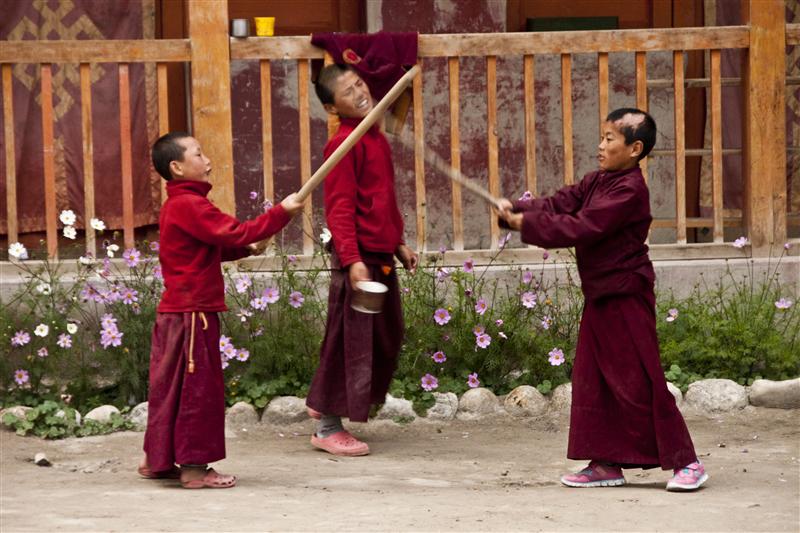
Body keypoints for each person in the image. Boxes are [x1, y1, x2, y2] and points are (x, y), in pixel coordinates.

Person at [496, 108, 708, 492]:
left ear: (635, 149)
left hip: (626, 293)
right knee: (595, 379)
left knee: (640, 380)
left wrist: (525, 226)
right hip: (600, 295)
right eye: (603, 136)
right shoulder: (597, 181)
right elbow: (561, 204)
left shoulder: (629, 190)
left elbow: (584, 226)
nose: (601, 145)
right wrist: (519, 209)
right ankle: (606, 462)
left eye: (610, 139)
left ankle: (686, 461)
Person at [138, 132, 303, 488]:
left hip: (178, 313)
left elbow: (208, 247)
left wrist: (245, 249)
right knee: (198, 391)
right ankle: (195, 468)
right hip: (193, 314)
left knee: (171, 389)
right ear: (177, 167)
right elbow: (235, 232)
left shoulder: (178, 206)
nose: (207, 160)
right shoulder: (190, 205)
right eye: (198, 154)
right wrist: (282, 213)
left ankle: (160, 461)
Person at [305, 64, 418, 456]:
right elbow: (339, 209)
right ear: (331, 107)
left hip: (379, 253)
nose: (359, 93)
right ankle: (327, 426)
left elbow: (381, 202)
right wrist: (352, 259)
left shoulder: (375, 138)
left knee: (387, 335)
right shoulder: (342, 144)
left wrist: (398, 244)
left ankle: (323, 402)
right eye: (347, 92)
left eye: (359, 84)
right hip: (358, 260)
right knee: (349, 342)